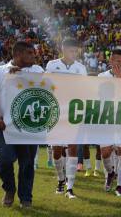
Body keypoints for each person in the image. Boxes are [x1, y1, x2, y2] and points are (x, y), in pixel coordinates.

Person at [0, 41, 44, 208]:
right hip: (5, 126)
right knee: (3, 159)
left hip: (29, 126)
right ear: (17, 55)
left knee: (27, 163)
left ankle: (26, 198)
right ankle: (9, 189)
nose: (33, 56)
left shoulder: (37, 70)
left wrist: (22, 76)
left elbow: (47, 89)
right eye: (29, 53)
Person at [46, 38, 87, 199]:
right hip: (56, 111)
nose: (74, 53)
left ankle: (70, 187)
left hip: (73, 112)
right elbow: (46, 85)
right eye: (71, 50)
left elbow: (84, 89)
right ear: (63, 49)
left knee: (72, 147)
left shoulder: (81, 68)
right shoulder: (51, 65)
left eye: (76, 51)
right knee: (56, 150)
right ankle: (60, 180)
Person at [98, 49, 121, 197]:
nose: (120, 64)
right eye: (117, 61)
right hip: (106, 119)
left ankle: (119, 186)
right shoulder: (101, 76)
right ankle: (110, 173)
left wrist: (120, 80)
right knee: (105, 152)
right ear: (111, 61)